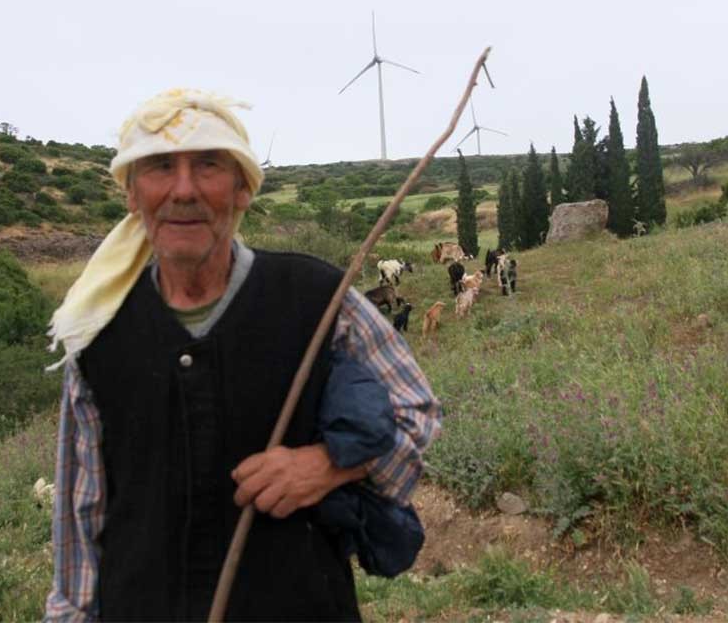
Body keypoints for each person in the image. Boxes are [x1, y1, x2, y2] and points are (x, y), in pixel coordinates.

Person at [43, 90, 441, 622]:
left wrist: (327, 466)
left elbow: (417, 413)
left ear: (242, 190)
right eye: (160, 167)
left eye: (208, 165)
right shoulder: (96, 333)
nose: (183, 190)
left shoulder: (319, 301)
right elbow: (80, 522)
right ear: (133, 194)